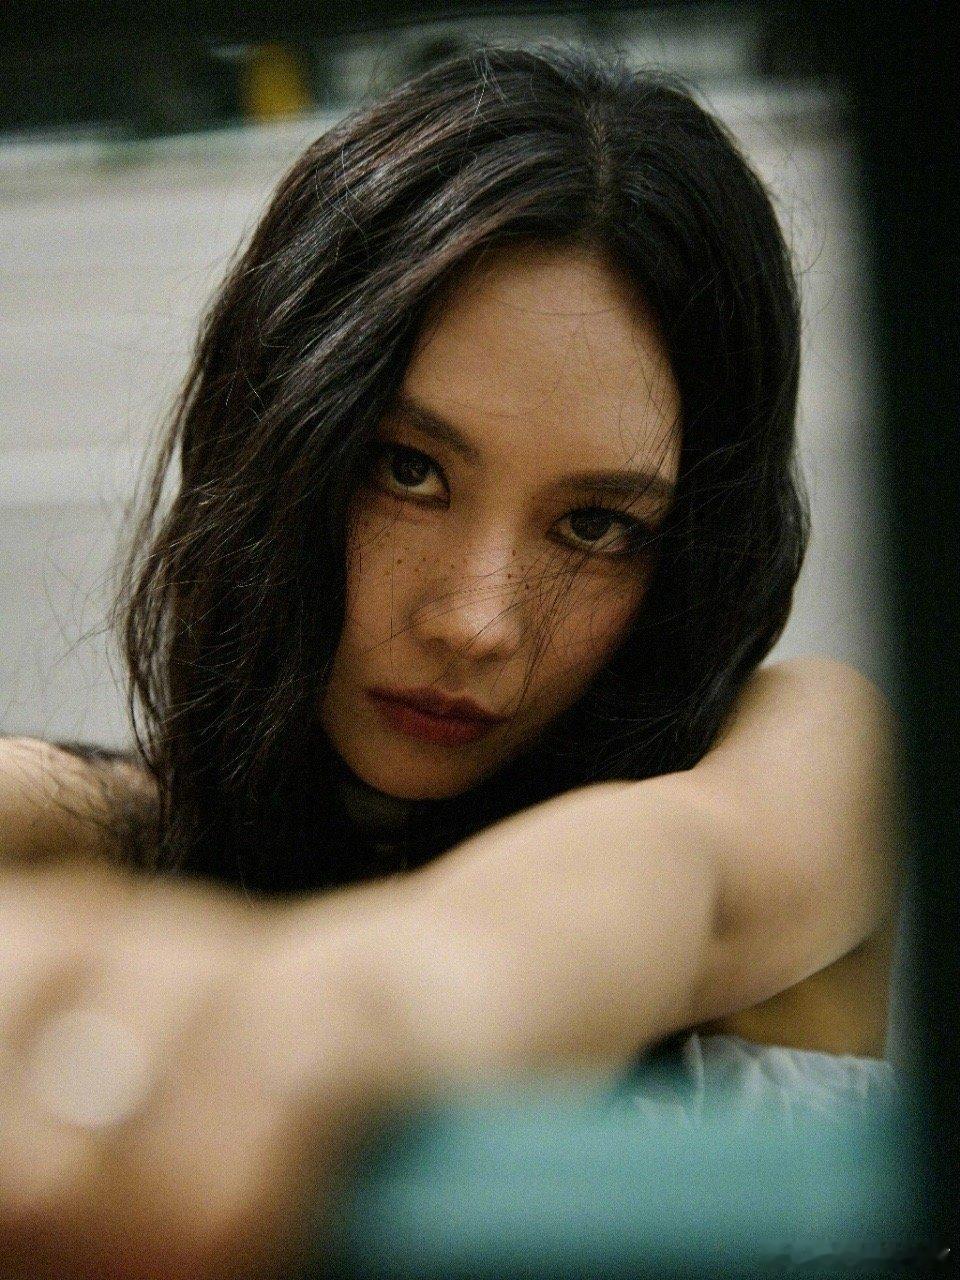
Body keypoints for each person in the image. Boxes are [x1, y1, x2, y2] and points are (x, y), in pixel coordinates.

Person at [0, 42, 903, 1280]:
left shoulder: (804, 752)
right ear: (282, 441)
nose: (477, 622)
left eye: (597, 526)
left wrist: (350, 1012)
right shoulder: (126, 825)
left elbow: (674, 880)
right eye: (409, 469)